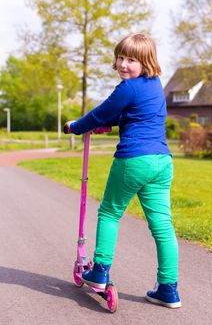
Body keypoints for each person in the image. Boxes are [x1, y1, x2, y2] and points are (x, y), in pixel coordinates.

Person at [64, 33, 182, 309]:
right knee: (163, 226)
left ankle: (100, 272)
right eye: (120, 57)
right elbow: (131, 114)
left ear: (146, 62)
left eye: (132, 60)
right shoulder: (155, 85)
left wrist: (76, 126)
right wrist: (111, 124)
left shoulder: (126, 88)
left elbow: (100, 114)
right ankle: (168, 288)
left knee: (109, 212)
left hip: (134, 160)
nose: (123, 65)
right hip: (162, 162)